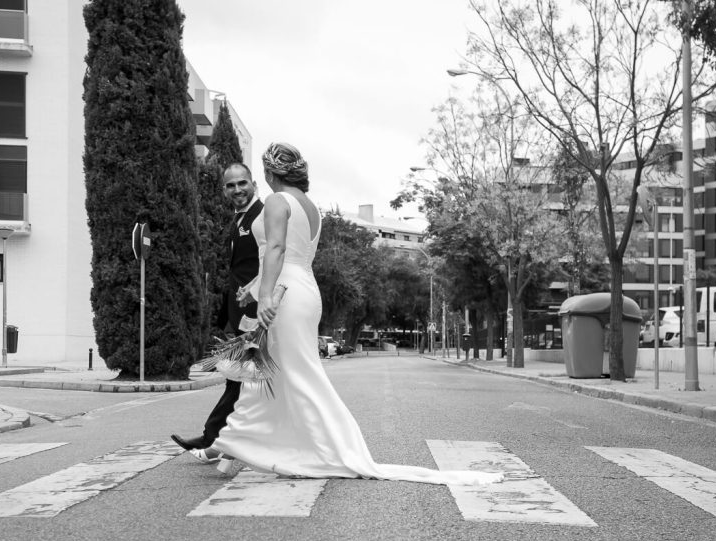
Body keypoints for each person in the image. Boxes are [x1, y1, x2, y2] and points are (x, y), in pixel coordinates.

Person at [211, 143, 502, 486]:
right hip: (304, 289)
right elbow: (292, 255)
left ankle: (314, 447)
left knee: (287, 374)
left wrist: (264, 296)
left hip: (282, 294)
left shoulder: (276, 200)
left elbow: (275, 249)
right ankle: (236, 447)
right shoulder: (311, 208)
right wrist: (255, 285)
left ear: (271, 173)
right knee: (269, 373)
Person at [171, 162, 263, 462]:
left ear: (253, 183)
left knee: (241, 381)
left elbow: (269, 262)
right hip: (239, 312)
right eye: (230, 185)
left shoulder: (261, 215)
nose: (237, 189)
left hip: (257, 311)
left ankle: (215, 438)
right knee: (238, 380)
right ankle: (220, 439)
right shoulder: (237, 220)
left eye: (242, 183)